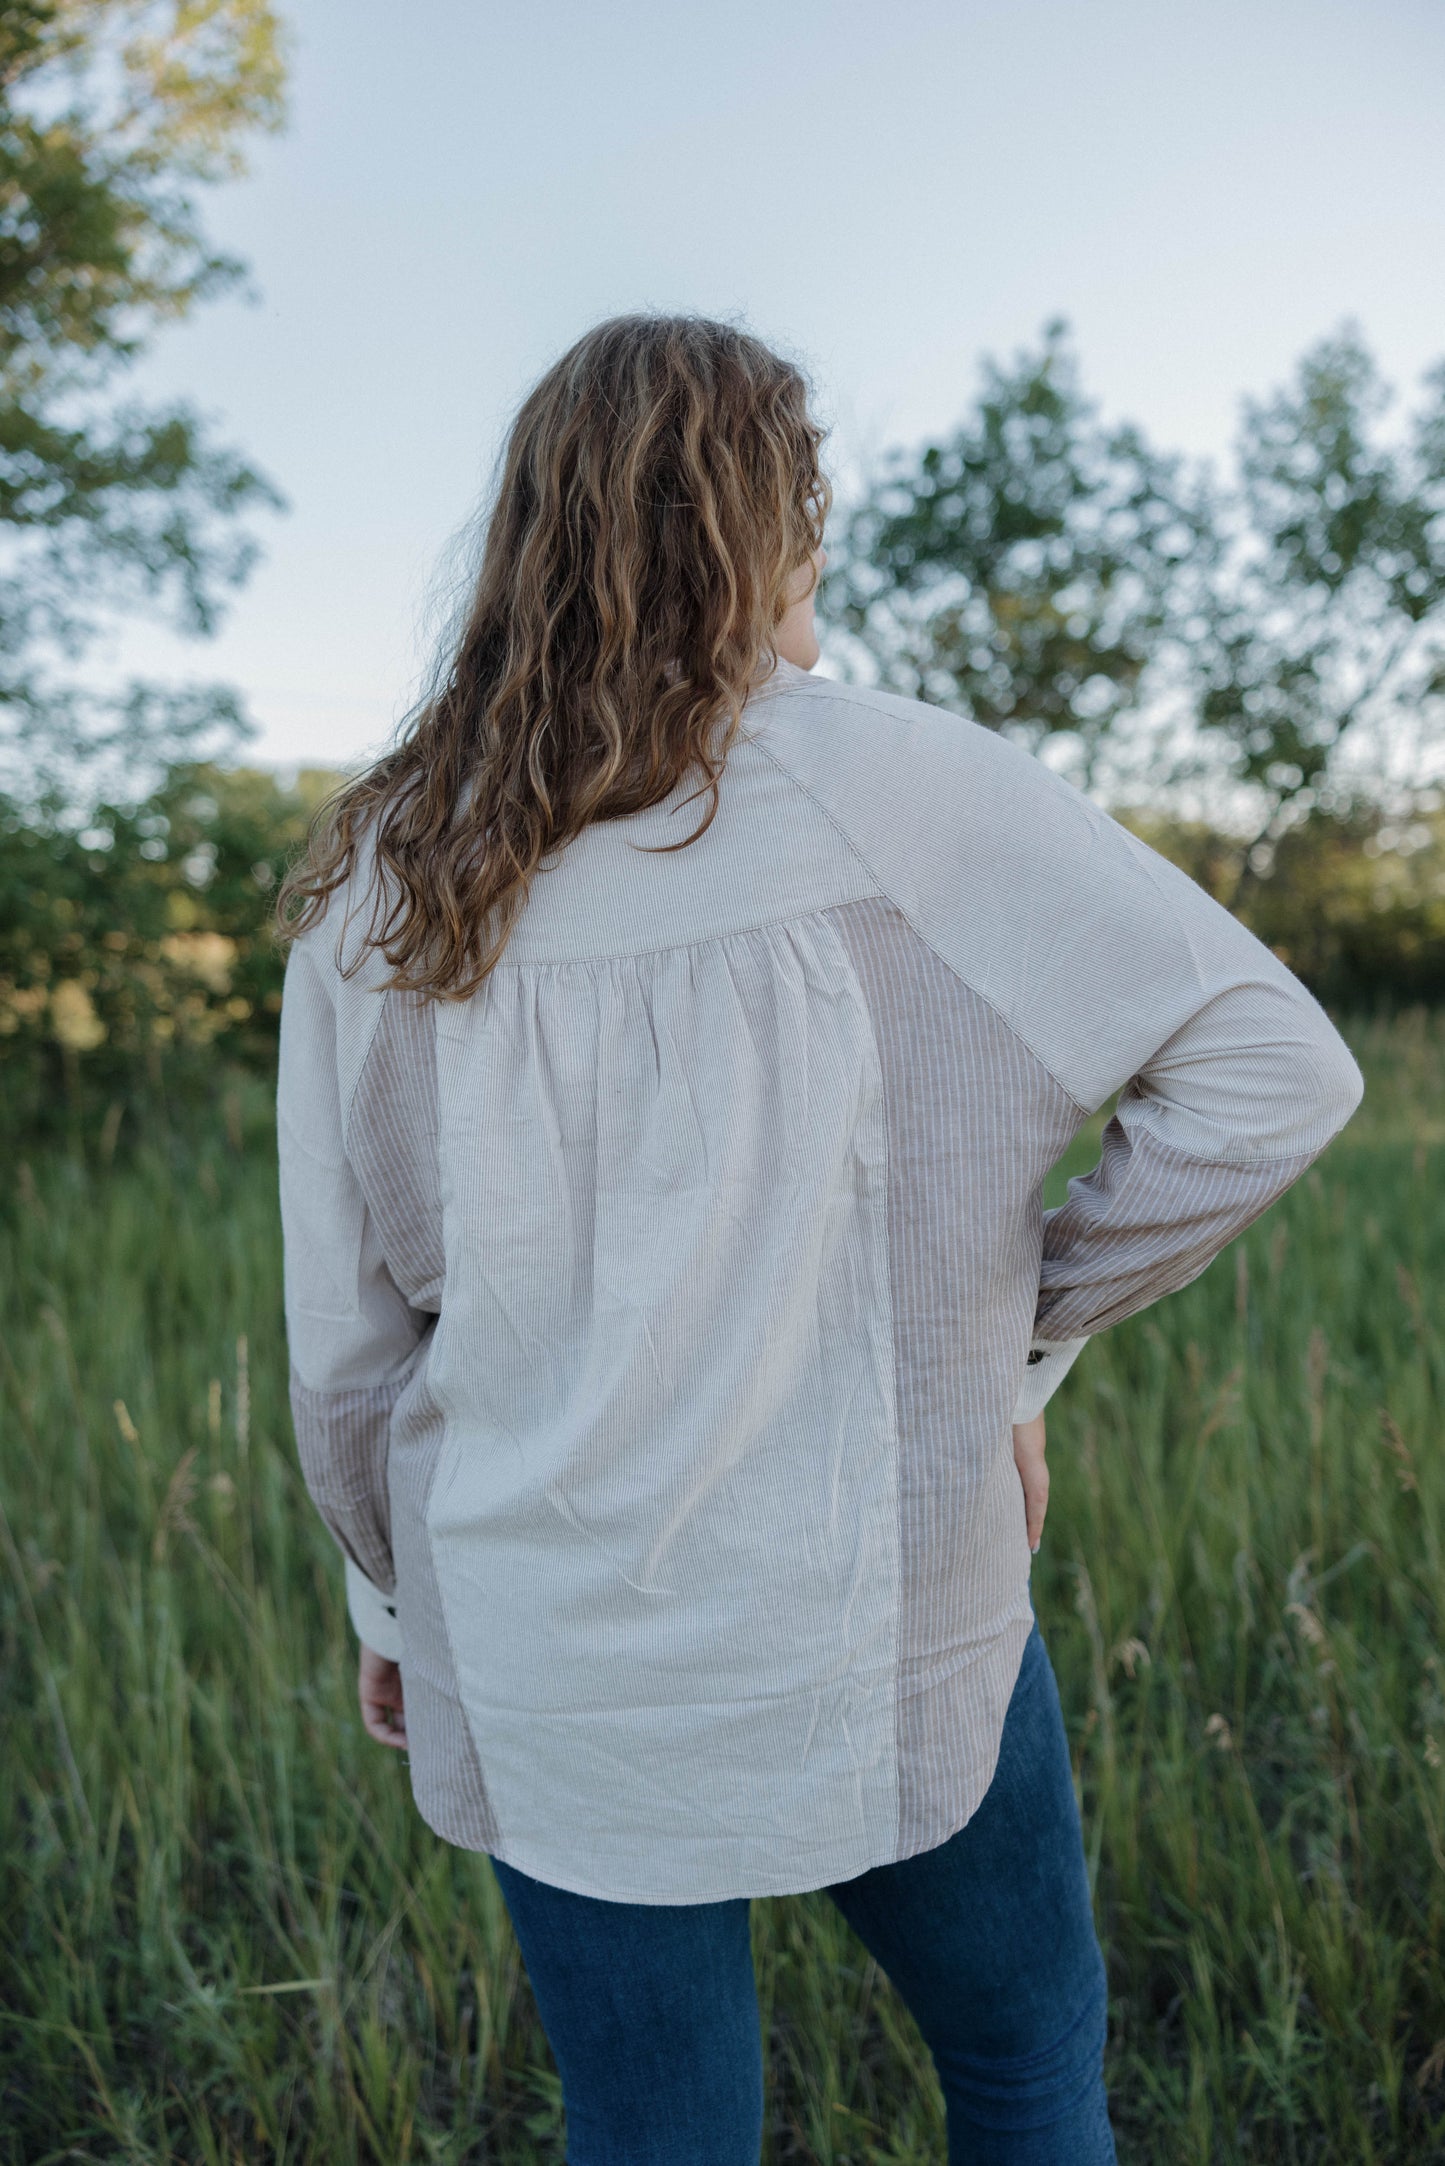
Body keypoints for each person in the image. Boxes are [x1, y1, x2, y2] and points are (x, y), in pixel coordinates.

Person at [274, 313, 1364, 2165]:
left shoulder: (387, 870)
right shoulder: (901, 782)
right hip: (886, 1602)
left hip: (548, 1643)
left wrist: (392, 1597)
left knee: (652, 2131)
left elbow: (347, 1348)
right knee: (1024, 2075)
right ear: (765, 524)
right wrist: (1017, 1349)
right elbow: (1275, 1071)